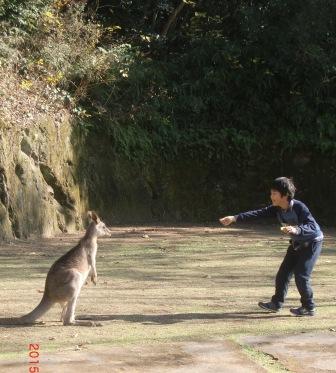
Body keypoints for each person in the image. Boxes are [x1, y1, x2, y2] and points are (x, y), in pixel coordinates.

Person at [219, 177, 323, 316]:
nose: (271, 196)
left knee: (301, 276)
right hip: (297, 243)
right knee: (283, 274)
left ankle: (309, 307)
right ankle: (276, 304)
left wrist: (296, 230)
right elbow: (258, 213)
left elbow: (311, 226)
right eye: (271, 193)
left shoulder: (299, 207)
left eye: (274, 193)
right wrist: (235, 218)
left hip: (312, 242)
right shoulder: (277, 209)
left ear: (285, 195)